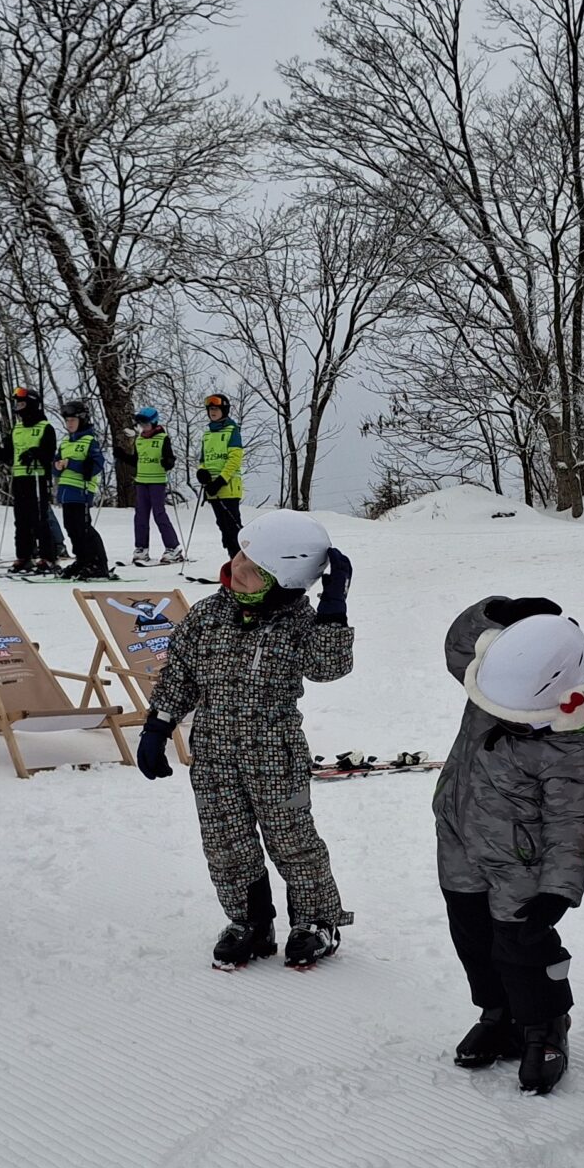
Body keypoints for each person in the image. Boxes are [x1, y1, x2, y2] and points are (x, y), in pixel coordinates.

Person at [134, 510, 354, 970]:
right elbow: (181, 674)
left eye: (254, 568)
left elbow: (328, 668)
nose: (238, 567)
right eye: (239, 556)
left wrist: (333, 611)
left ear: (284, 581)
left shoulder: (300, 621)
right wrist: (158, 726)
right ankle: (249, 922)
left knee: (292, 840)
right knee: (225, 842)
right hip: (213, 754)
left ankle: (316, 922)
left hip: (276, 756)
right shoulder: (209, 614)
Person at [437, 599, 584, 1094]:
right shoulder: (503, 680)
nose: (501, 719)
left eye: (518, 719)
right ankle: (497, 1013)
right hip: (457, 838)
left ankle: (545, 1024)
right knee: (472, 936)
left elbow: (570, 820)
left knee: (522, 946)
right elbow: (459, 647)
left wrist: (558, 889)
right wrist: (496, 614)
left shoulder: (568, 744)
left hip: (519, 862)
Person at [0, 386, 61, 573]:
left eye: (21, 404)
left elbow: (49, 454)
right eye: (17, 405)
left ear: (31, 405)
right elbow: (9, 454)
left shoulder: (45, 427)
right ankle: (24, 556)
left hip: (37, 478)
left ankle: (48, 557)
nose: (18, 408)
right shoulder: (17, 429)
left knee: (40, 519)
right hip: (20, 478)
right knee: (21, 520)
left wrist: (35, 453)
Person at [54, 399, 117, 580]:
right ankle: (83, 560)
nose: (69, 424)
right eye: (67, 421)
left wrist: (72, 463)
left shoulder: (90, 441)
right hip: (66, 493)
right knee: (71, 528)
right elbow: (56, 465)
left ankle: (98, 563)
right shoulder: (66, 442)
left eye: (73, 420)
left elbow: (96, 465)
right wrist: (56, 466)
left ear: (82, 420)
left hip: (81, 491)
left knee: (83, 528)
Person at [129, 406, 184, 565]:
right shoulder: (139, 440)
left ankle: (173, 548)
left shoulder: (162, 438)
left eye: (146, 424)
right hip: (141, 481)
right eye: (141, 424)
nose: (144, 427)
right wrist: (122, 455)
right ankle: (141, 548)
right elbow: (136, 460)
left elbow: (170, 458)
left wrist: (168, 462)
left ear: (153, 423)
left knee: (159, 514)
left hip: (157, 482)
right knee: (140, 515)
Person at [198, 393, 246, 557]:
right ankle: (234, 562)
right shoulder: (207, 434)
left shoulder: (232, 431)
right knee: (223, 528)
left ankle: (244, 562)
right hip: (211, 488)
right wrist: (201, 472)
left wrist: (221, 480)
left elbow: (235, 459)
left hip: (228, 487)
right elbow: (203, 459)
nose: (213, 412)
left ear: (224, 410)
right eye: (210, 409)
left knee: (233, 528)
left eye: (216, 409)